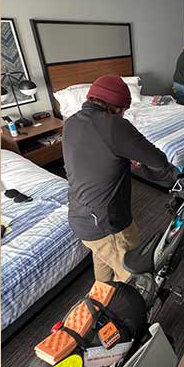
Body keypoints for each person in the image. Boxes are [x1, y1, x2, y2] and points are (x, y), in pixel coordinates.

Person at [63, 75, 176, 283]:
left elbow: (90, 160)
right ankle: (125, 313)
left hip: (80, 218)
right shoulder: (114, 125)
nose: (124, 115)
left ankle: (99, 306)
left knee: (103, 266)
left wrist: (119, 158)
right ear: (115, 108)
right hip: (108, 225)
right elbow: (159, 160)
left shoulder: (70, 122)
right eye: (124, 110)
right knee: (135, 279)